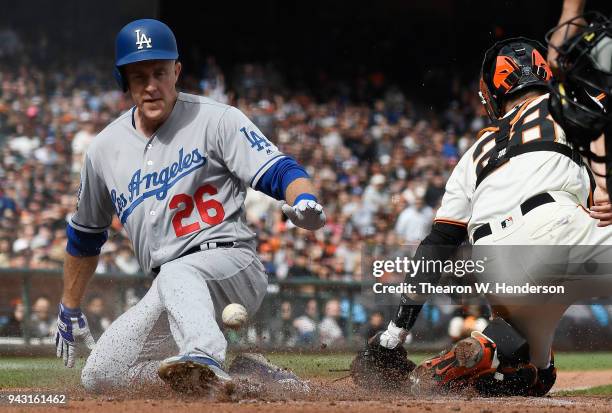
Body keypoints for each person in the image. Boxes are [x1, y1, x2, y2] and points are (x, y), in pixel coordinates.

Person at [54, 19, 325, 394]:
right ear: (125, 82)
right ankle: (252, 379)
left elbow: (279, 169)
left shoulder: (217, 119)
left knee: (177, 274)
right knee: (101, 376)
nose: (151, 85)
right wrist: (69, 305)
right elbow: (84, 236)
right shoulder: (103, 150)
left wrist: (304, 198)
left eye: (160, 72)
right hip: (171, 289)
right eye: (139, 76)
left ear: (176, 71)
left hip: (231, 263)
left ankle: (204, 356)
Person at [354, 37, 612, 397]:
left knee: (534, 374)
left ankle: (477, 354)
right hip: (556, 231)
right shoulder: (562, 103)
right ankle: (492, 348)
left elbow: (438, 245)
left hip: (494, 265)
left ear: (493, 91)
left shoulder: (473, 153)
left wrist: (394, 334)